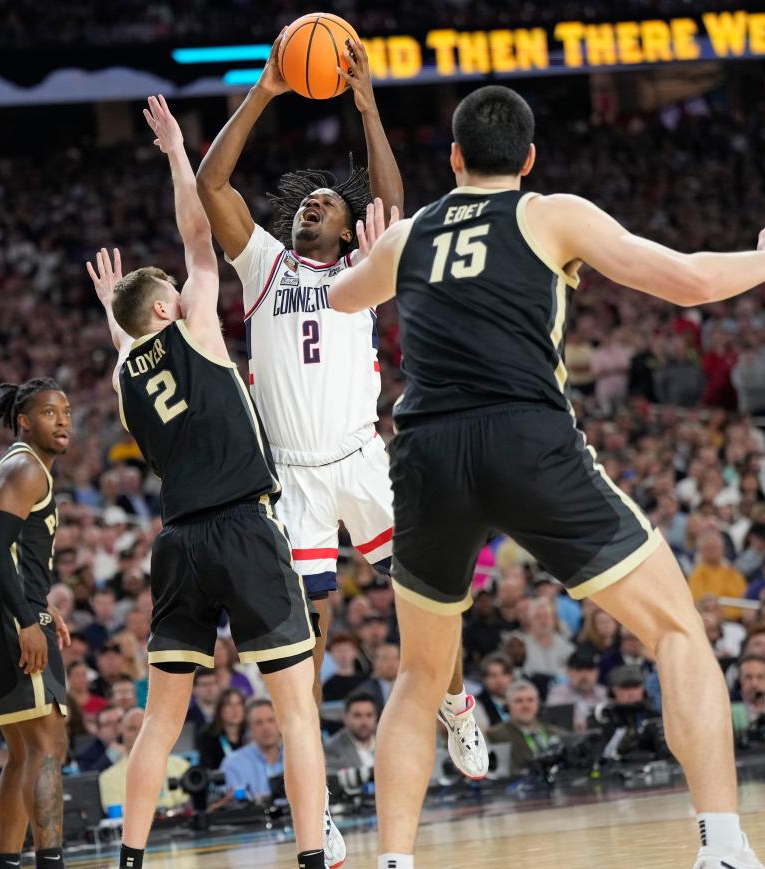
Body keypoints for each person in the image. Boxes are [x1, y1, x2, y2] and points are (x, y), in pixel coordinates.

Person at [328, 84, 765, 869]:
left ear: (453, 158)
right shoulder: (551, 212)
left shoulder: (412, 233)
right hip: (525, 438)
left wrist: (371, 253)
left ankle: (392, 861)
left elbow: (340, 296)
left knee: (422, 675)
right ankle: (722, 847)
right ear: (528, 160)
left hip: (426, 451)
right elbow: (689, 279)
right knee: (675, 631)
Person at [196, 29, 488, 784]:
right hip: (291, 475)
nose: (312, 210)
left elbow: (390, 201)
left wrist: (367, 106)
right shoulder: (262, 264)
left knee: (424, 593)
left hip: (362, 457)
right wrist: (263, 90)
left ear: (345, 226)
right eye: (307, 204)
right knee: (309, 634)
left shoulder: (365, 264)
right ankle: (314, 788)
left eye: (326, 205)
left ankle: (457, 703)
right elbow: (212, 186)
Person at [87, 95, 332, 869]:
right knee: (296, 711)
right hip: (245, 527)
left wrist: (113, 316)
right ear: (168, 305)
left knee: (160, 719)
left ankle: (128, 857)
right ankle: (312, 858)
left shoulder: (127, 377)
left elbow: (128, 345)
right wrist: (173, 154)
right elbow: (199, 236)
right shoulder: (192, 324)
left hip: (179, 542)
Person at [0, 380, 73, 869]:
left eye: (65, 412)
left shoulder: (21, 467)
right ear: (25, 421)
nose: (62, 420)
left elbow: (2, 553)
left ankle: (7, 862)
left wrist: (41, 602)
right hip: (4, 616)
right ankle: (51, 862)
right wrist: (27, 618)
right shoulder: (26, 468)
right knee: (48, 745)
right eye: (49, 412)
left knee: (23, 751)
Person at [99, 708, 188, 813]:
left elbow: (189, 804)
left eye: (145, 726)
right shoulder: (108, 778)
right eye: (132, 728)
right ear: (121, 734)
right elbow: (117, 817)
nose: (139, 732)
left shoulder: (181, 765)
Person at [486, 680, 562, 775]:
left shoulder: (558, 733)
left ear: (539, 704)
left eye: (530, 700)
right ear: (507, 706)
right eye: (519, 701)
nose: (526, 706)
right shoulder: (495, 736)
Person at [220, 698, 282, 800]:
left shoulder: (297, 760)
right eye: (258, 723)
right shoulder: (232, 764)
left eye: (271, 720)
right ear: (249, 728)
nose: (266, 727)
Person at [546, 650, 608, 731]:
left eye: (589, 669)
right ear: (568, 671)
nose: (584, 675)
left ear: (597, 672)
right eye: (579, 669)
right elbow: (555, 724)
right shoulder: (558, 693)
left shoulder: (604, 693)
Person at [324, 692, 379, 774]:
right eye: (357, 715)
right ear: (345, 718)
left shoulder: (387, 743)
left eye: (369, 715)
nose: (364, 722)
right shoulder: (332, 749)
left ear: (376, 717)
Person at [195, 688, 248, 771]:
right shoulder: (208, 736)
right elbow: (206, 768)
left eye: (239, 704)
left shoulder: (251, 733)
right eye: (229, 705)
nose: (235, 709)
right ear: (219, 709)